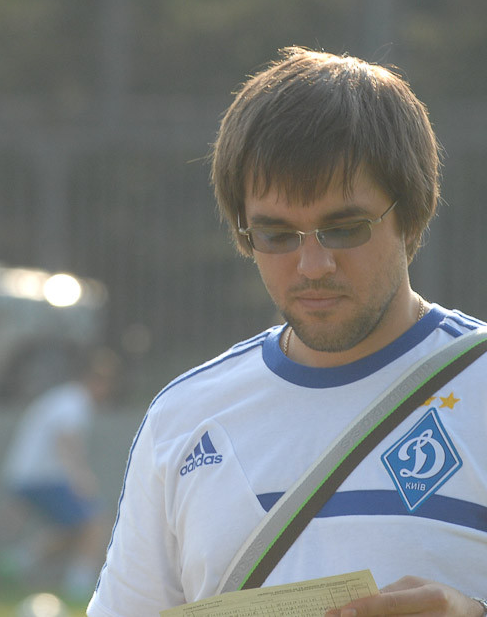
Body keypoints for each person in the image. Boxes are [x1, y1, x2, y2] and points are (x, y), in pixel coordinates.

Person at [87, 47, 487, 616]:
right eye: (276, 235)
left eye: (344, 228)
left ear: (411, 212)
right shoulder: (182, 419)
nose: (312, 265)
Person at [0, 347, 120, 602]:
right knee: (95, 522)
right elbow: (64, 439)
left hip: (26, 476)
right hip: (43, 477)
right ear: (95, 381)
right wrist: (80, 477)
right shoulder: (76, 401)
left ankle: (17, 562)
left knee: (73, 528)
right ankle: (80, 589)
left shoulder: (63, 398)